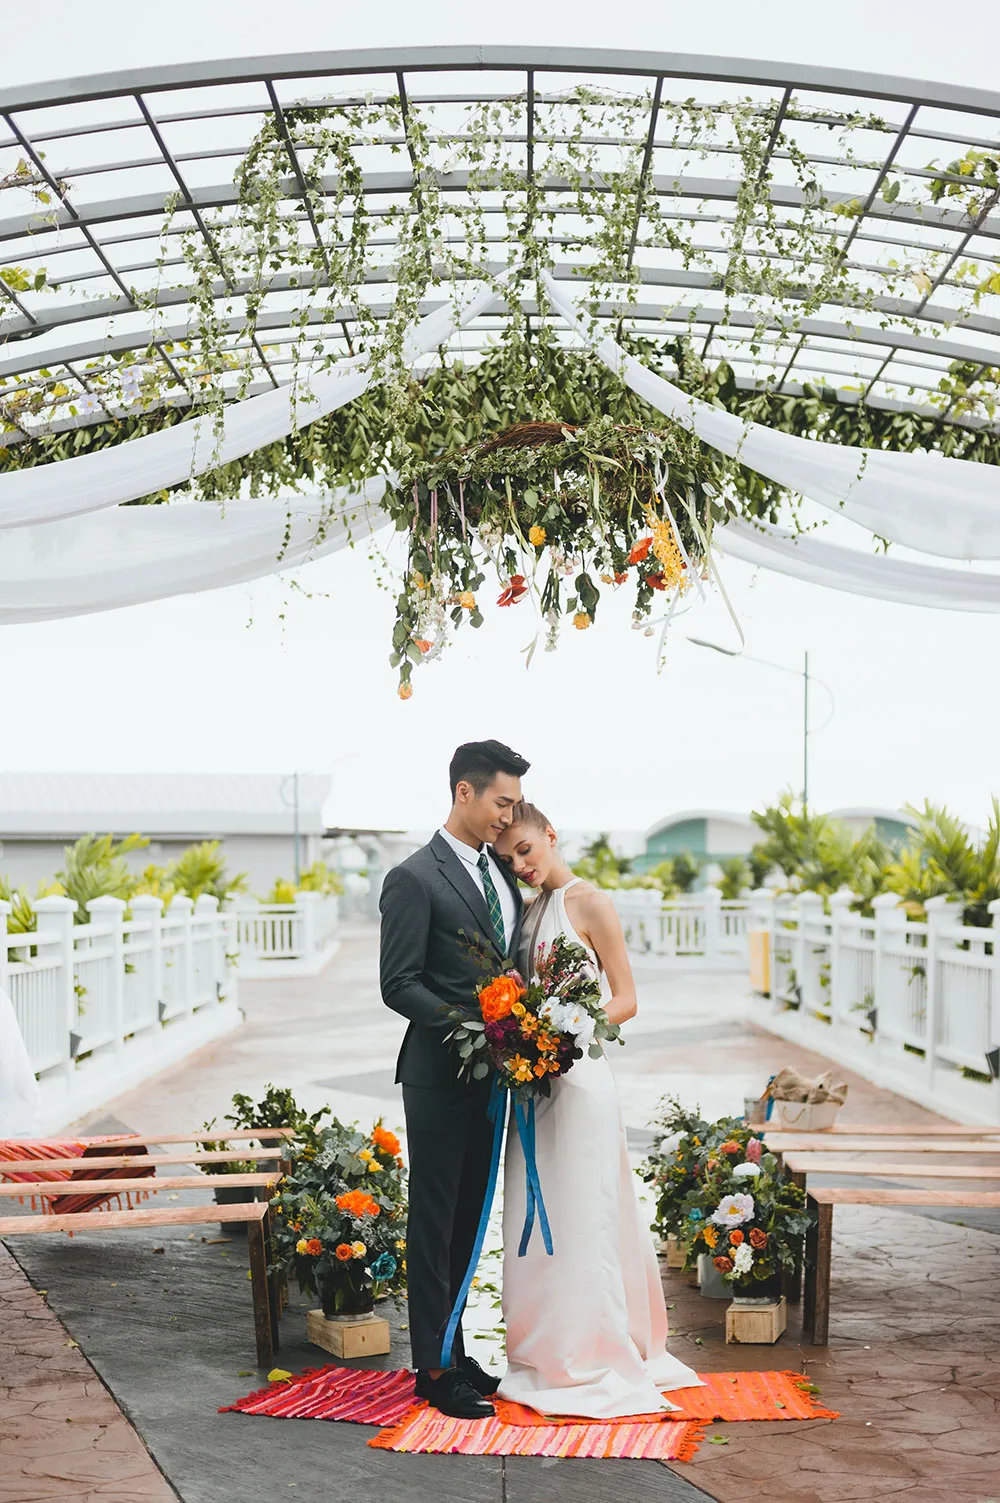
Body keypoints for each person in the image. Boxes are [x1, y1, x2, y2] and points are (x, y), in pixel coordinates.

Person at [492, 801, 704, 1418]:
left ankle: (594, 1347)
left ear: (550, 835)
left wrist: (563, 1029)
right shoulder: (525, 914)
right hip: (535, 1087)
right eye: (509, 860)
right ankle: (544, 1347)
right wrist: (522, 1036)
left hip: (580, 1080)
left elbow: (627, 999)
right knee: (537, 1214)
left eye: (526, 850)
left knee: (585, 1213)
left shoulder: (591, 902)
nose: (521, 865)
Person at [379, 738, 530, 1419]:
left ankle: (456, 1346)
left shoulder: (502, 872)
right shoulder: (414, 876)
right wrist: (472, 1025)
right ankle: (434, 1368)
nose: (509, 816)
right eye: (502, 802)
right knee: (435, 1219)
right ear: (464, 792)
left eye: (516, 805)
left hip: (492, 1078)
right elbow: (398, 983)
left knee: (470, 1217)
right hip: (438, 1072)